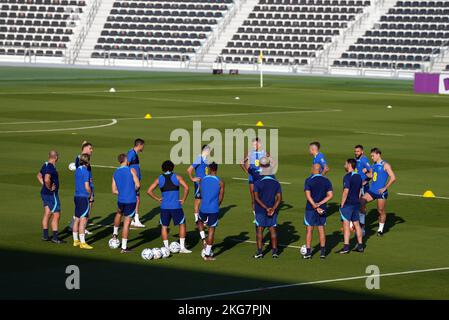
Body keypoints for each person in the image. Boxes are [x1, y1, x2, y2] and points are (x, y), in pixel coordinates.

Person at [147, 160, 192, 253]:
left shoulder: (159, 179)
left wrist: (157, 199)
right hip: (176, 206)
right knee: (182, 224)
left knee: (164, 226)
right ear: (172, 168)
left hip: (164, 207)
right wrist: (183, 199)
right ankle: (182, 248)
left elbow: (149, 191)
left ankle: (166, 248)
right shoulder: (177, 177)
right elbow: (187, 188)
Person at [360, 148, 396, 236]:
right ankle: (361, 226)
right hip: (372, 191)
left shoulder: (385, 165)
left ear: (378, 154)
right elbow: (372, 176)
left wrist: (385, 188)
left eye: (373, 156)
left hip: (381, 193)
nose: (371, 158)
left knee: (380, 211)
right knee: (361, 202)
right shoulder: (374, 164)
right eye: (371, 156)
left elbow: (393, 178)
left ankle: (380, 230)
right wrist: (365, 174)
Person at [253, 157, 282, 259]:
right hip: (272, 210)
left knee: (260, 230)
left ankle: (260, 252)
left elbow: (256, 198)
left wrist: (266, 208)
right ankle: (274, 252)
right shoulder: (276, 183)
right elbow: (279, 198)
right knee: (272, 230)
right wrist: (273, 208)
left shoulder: (257, 183)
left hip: (261, 210)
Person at [111, 153, 140, 253]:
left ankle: (114, 234)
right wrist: (132, 190)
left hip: (121, 200)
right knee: (127, 223)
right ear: (126, 161)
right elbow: (138, 185)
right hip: (131, 200)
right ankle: (124, 247)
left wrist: (122, 191)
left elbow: (114, 190)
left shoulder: (115, 172)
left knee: (118, 213)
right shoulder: (131, 170)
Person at [303, 164, 333, 259]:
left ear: (313, 169)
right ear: (320, 170)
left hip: (310, 209)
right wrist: (320, 203)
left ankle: (308, 253)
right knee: (321, 229)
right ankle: (323, 253)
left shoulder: (309, 180)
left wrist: (315, 205)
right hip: (322, 208)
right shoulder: (326, 180)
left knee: (309, 230)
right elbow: (330, 195)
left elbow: (308, 196)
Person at [197, 162, 225, 261]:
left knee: (200, 222)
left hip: (203, 207)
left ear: (208, 168)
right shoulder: (220, 182)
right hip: (214, 208)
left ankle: (203, 240)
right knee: (211, 230)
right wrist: (216, 205)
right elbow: (221, 198)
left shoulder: (202, 180)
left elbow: (200, 192)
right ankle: (208, 255)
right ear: (216, 169)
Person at [336, 159, 364, 254]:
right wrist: (358, 201)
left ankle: (346, 247)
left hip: (348, 204)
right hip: (356, 203)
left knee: (346, 225)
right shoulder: (359, 176)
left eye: (345, 163)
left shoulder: (347, 177)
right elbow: (360, 191)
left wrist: (342, 203)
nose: (344, 165)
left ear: (349, 165)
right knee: (356, 224)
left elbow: (346, 191)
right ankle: (360, 246)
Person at [36, 150, 64, 244]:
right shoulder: (51, 167)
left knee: (47, 212)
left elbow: (39, 176)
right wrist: (49, 187)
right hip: (52, 195)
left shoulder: (45, 164)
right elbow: (47, 178)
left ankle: (45, 235)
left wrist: (44, 185)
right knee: (56, 214)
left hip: (44, 193)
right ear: (56, 157)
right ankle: (55, 237)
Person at [240, 137, 268, 224]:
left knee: (262, 197)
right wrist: (247, 171)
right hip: (252, 177)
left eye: (256, 144)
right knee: (253, 197)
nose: (254, 145)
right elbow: (241, 162)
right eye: (253, 144)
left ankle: (264, 214)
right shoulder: (249, 153)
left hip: (261, 177)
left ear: (260, 144)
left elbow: (271, 163)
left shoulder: (264, 153)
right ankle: (256, 217)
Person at [70, 141, 94, 234]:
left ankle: (78, 226)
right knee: (85, 208)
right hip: (85, 188)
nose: (92, 150)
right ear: (86, 148)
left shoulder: (83, 158)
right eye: (90, 148)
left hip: (87, 185)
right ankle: (81, 228)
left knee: (83, 208)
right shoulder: (81, 159)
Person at [72, 153, 93, 249]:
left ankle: (75, 240)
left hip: (76, 196)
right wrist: (91, 194)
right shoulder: (86, 171)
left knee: (76, 219)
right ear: (87, 161)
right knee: (83, 220)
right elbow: (87, 186)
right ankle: (83, 243)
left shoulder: (77, 170)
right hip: (83, 197)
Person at [186, 145, 210, 224]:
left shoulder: (206, 159)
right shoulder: (199, 158)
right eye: (208, 150)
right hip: (199, 183)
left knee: (205, 200)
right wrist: (192, 178)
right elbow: (189, 169)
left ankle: (203, 218)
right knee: (198, 201)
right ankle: (197, 219)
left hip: (206, 183)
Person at [354, 144, 372, 232]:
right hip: (356, 185)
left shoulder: (364, 160)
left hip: (363, 186)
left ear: (362, 151)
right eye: (355, 151)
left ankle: (362, 227)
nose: (356, 153)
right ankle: (354, 225)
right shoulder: (356, 160)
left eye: (358, 151)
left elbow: (372, 172)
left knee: (362, 206)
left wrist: (366, 179)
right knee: (355, 204)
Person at [128, 138, 145, 228]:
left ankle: (132, 218)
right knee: (137, 199)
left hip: (135, 179)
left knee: (135, 199)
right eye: (143, 145)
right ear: (139, 145)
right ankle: (136, 219)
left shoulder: (134, 153)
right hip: (133, 180)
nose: (143, 147)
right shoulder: (131, 153)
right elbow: (127, 164)